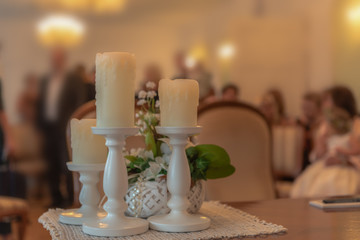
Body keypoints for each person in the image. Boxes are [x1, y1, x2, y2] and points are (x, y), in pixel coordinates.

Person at [36, 48, 86, 207]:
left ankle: (72, 199)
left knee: (67, 163)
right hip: (48, 128)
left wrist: (73, 124)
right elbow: (41, 103)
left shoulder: (73, 79)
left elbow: (80, 102)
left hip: (66, 127)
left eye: (58, 59)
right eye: (53, 59)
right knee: (51, 164)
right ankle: (55, 199)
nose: (55, 62)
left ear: (64, 60)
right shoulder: (45, 80)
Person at [291, 86, 360, 198]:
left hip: (349, 168)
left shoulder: (356, 124)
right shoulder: (325, 126)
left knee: (336, 184)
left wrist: (346, 161)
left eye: (327, 100)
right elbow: (317, 154)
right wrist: (322, 144)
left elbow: (357, 151)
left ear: (339, 101)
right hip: (326, 165)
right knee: (317, 185)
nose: (324, 105)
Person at [296, 92, 323, 171]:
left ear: (319, 108)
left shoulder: (323, 126)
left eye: (310, 108)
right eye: (304, 108)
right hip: (301, 162)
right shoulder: (299, 124)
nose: (306, 111)